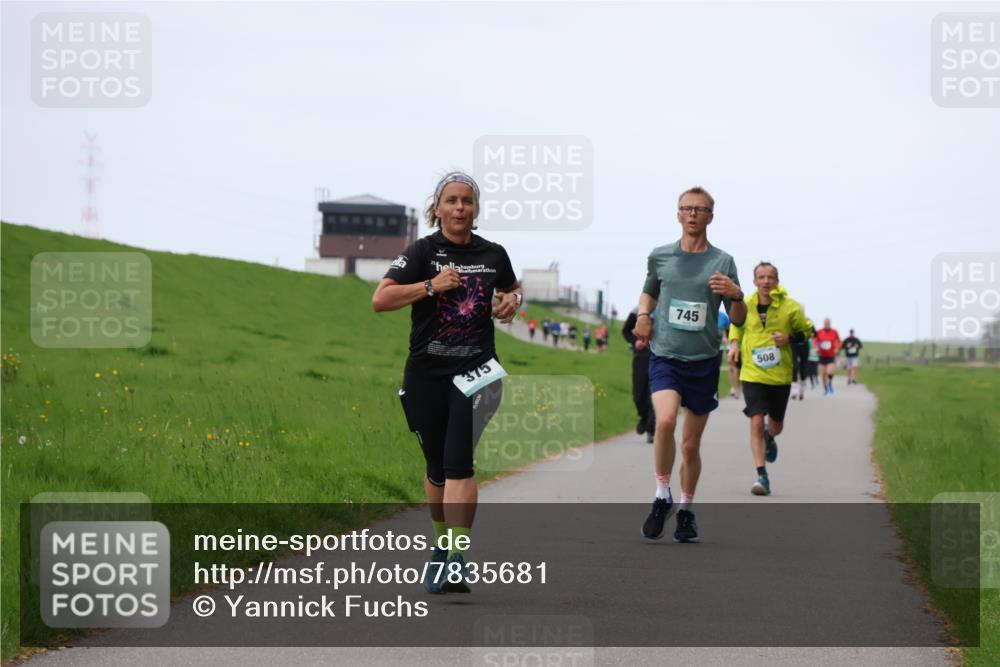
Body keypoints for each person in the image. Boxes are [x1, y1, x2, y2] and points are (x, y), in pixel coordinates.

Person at [372, 171, 521, 594]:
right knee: (436, 470)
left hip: (477, 374)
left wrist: (514, 299)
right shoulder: (421, 252)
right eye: (452, 201)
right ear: (437, 208)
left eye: (467, 201)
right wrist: (429, 286)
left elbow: (511, 287)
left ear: (476, 209)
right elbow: (380, 300)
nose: (460, 208)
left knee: (459, 464)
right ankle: (442, 546)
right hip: (425, 376)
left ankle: (457, 558)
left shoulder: (493, 253)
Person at [634, 186, 746, 543]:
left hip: (703, 360)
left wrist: (735, 293)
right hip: (666, 354)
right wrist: (644, 315)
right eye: (687, 208)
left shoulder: (723, 262)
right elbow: (649, 290)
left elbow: (739, 318)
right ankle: (661, 495)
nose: (693, 214)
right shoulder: (660, 256)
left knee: (690, 446)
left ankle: (685, 509)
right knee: (665, 420)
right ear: (678, 214)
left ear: (711, 216)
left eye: (700, 209)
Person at [727, 262, 812, 496]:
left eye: (770, 277)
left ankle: (770, 436)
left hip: (779, 376)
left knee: (776, 425)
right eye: (761, 277)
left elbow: (808, 331)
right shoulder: (746, 305)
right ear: (754, 282)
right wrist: (734, 344)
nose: (766, 281)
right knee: (755, 419)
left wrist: (789, 337)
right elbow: (737, 326)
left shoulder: (791, 308)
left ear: (777, 281)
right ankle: (761, 476)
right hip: (752, 373)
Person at [623, 307, 656, 443]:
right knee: (638, 396)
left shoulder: (667, 307)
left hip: (659, 357)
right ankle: (643, 418)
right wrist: (634, 341)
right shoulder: (638, 309)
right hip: (641, 357)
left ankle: (650, 429)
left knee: (653, 396)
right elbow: (626, 331)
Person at [790, 318, 816, 401]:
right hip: (794, 345)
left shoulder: (808, 321)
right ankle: (794, 389)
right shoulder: (791, 321)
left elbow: (814, 333)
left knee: (803, 367)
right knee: (794, 366)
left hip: (804, 346)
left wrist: (809, 334)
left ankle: (802, 388)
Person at [814, 319, 841, 395]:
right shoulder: (819, 332)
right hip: (822, 355)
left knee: (829, 372)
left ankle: (830, 384)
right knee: (822, 374)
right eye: (825, 323)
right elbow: (815, 340)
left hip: (831, 355)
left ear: (830, 324)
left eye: (828, 323)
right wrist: (816, 347)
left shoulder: (834, 332)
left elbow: (839, 341)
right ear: (823, 324)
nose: (827, 325)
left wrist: (837, 348)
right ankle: (825, 388)